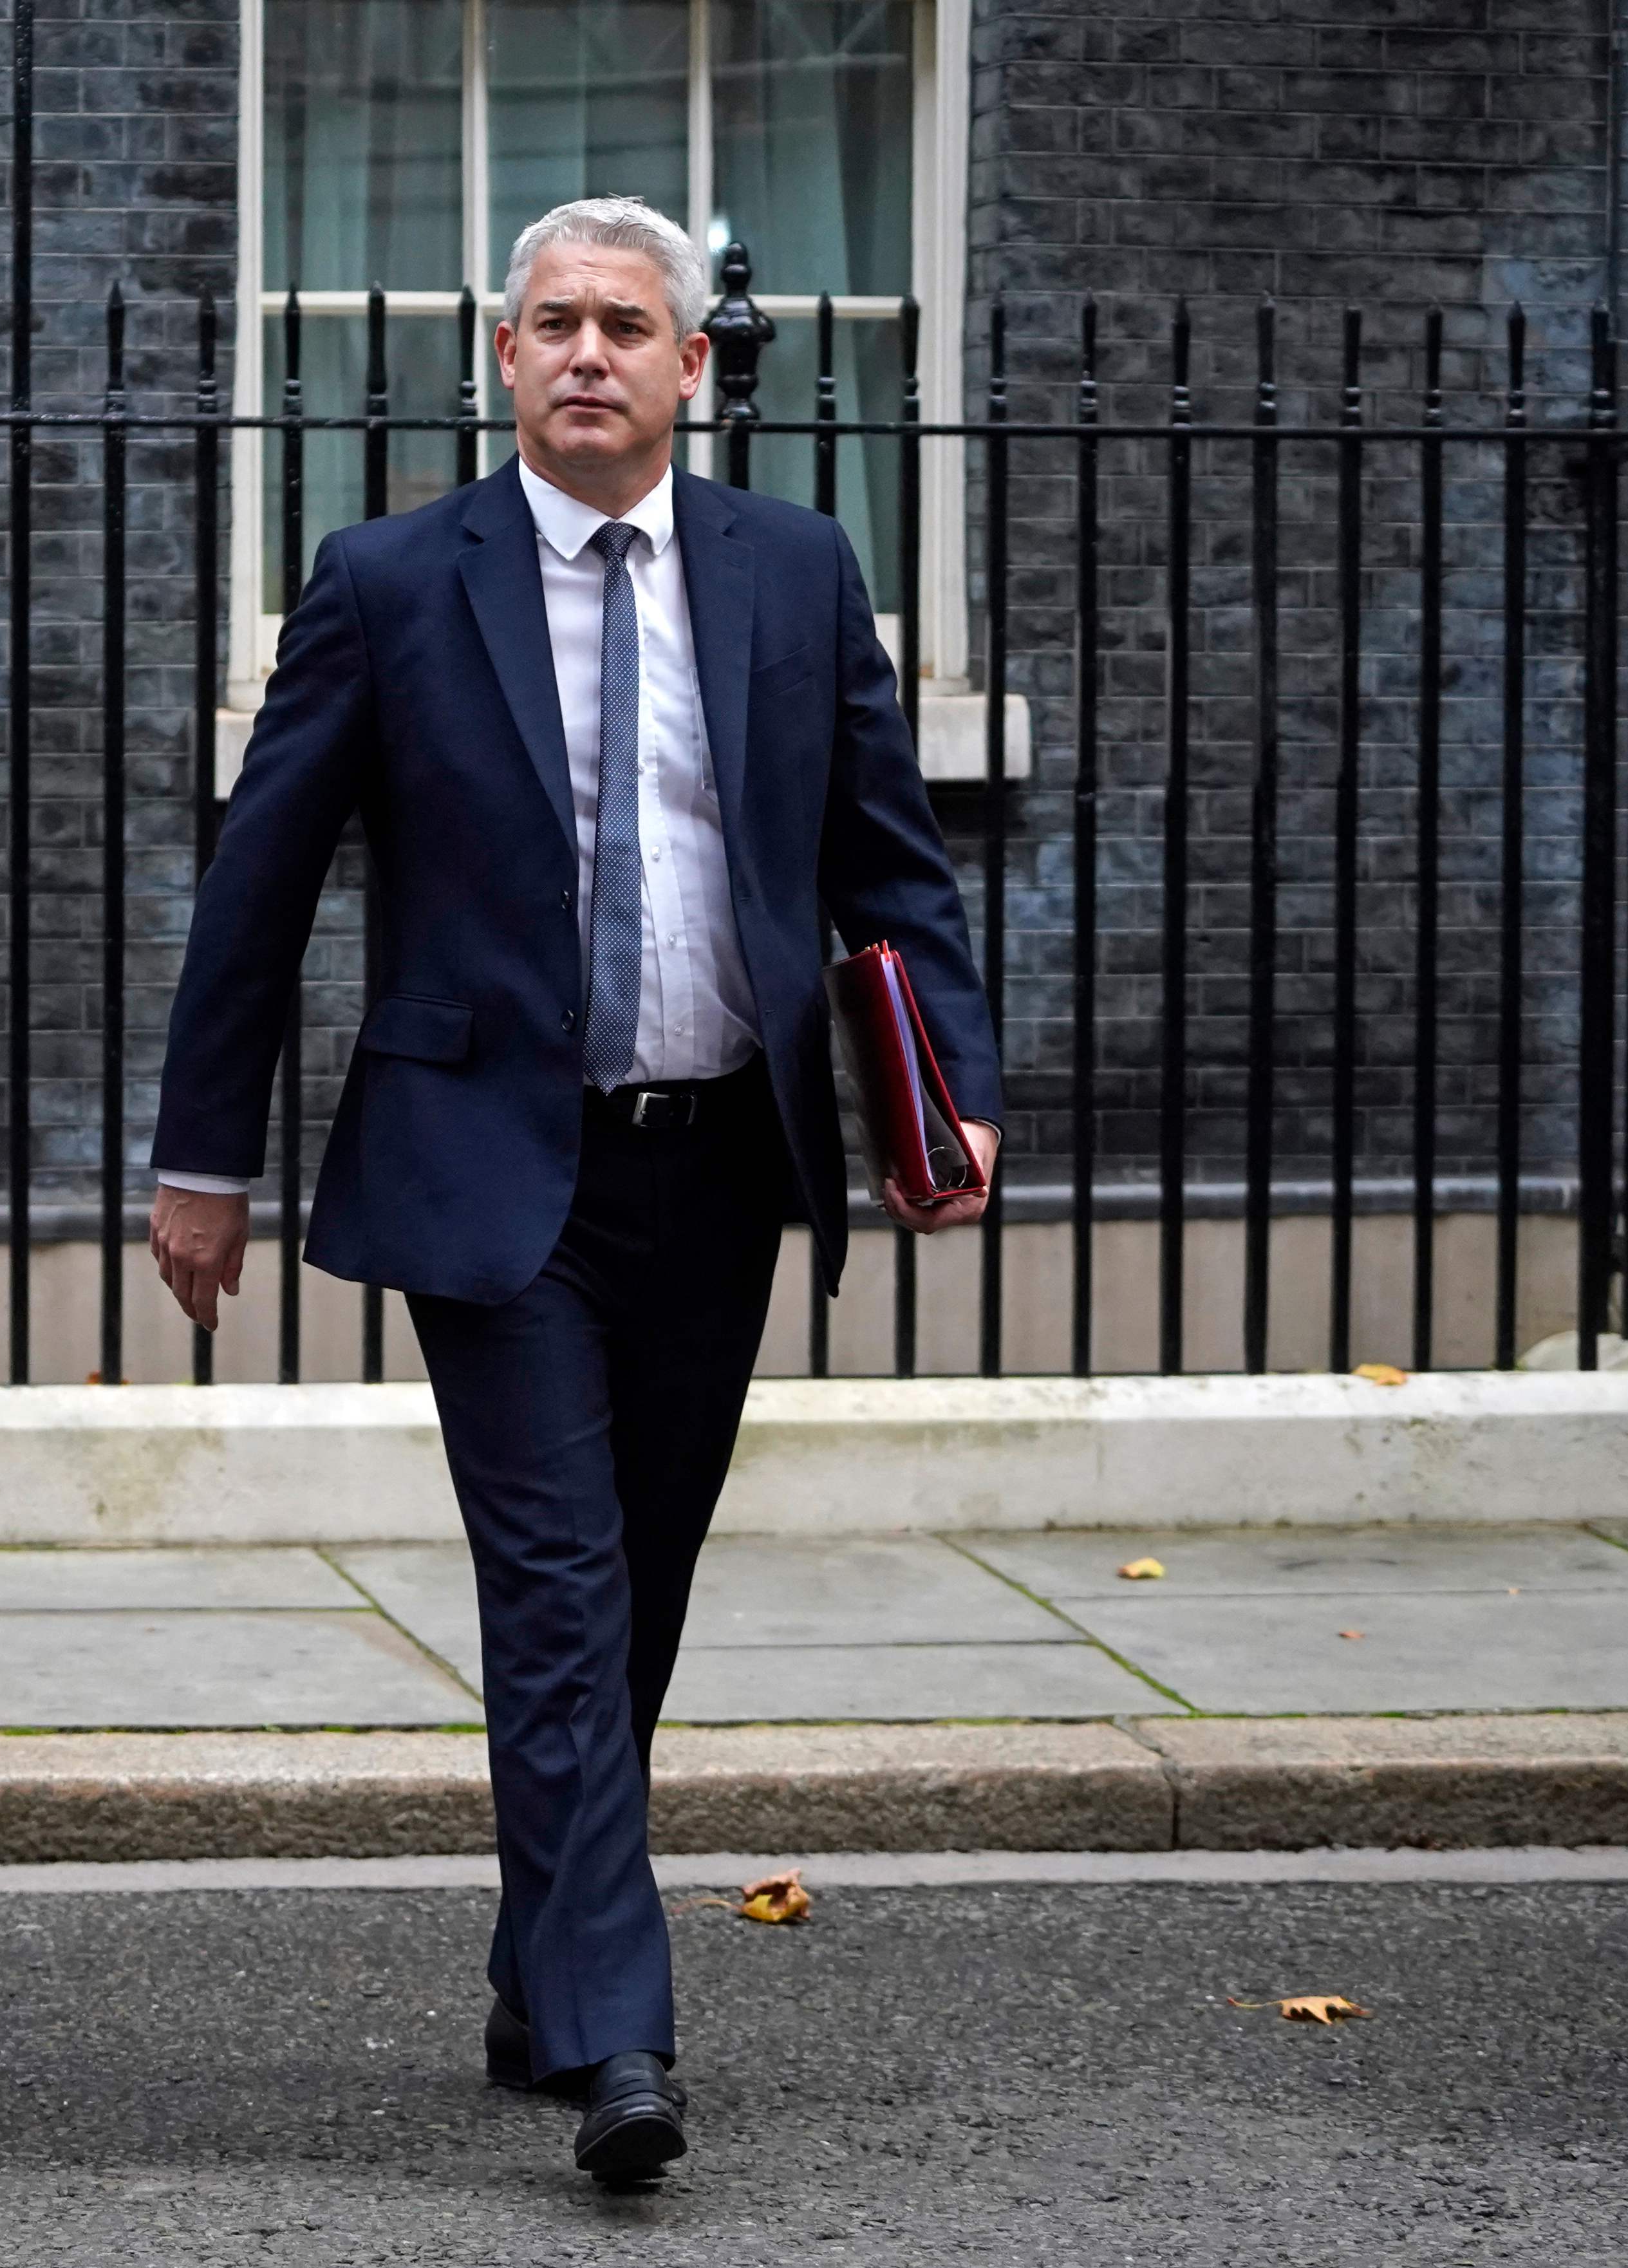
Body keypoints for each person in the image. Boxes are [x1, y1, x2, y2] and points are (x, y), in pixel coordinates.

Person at [147, 197, 1002, 2186]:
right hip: (492, 1170)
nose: (589, 352)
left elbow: (889, 862)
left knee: (643, 1582)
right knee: (556, 1588)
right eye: (555, 323)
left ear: (693, 366)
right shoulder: (389, 581)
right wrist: (203, 1158)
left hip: (723, 1161)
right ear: (504, 358)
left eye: (627, 324)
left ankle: (543, 1968)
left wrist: (946, 1096)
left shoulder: (797, 571)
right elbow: (259, 884)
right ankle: (622, 2036)